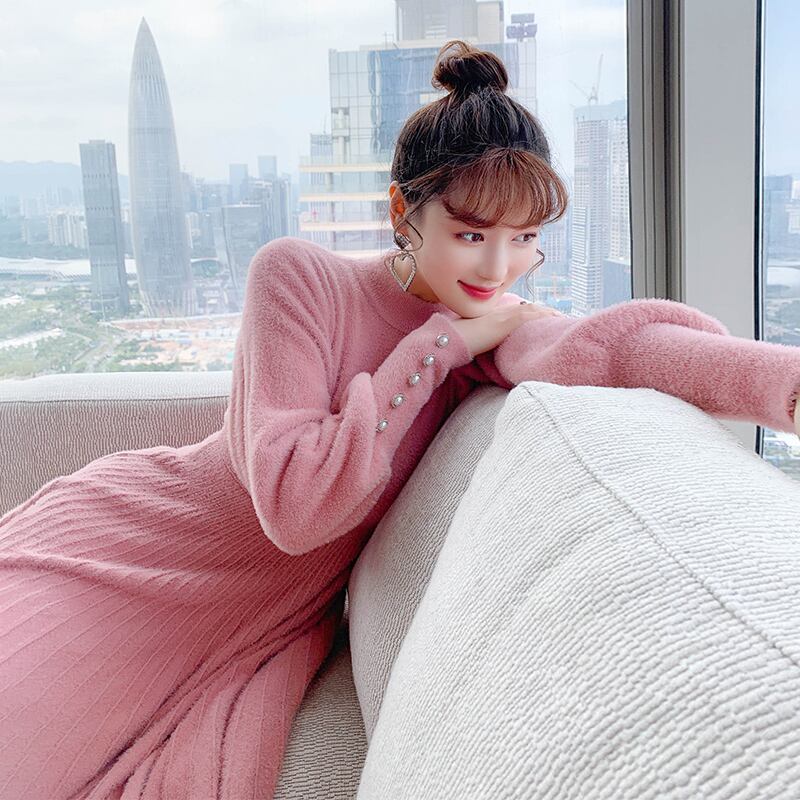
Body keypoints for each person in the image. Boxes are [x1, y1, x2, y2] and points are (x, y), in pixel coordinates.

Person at [1, 38, 799, 800]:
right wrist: (438, 345)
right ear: (403, 211)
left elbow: (613, 349)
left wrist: (785, 388)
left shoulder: (485, 330)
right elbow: (295, 504)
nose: (498, 267)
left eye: (524, 239)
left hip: (256, 616)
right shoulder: (300, 280)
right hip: (125, 550)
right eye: (471, 233)